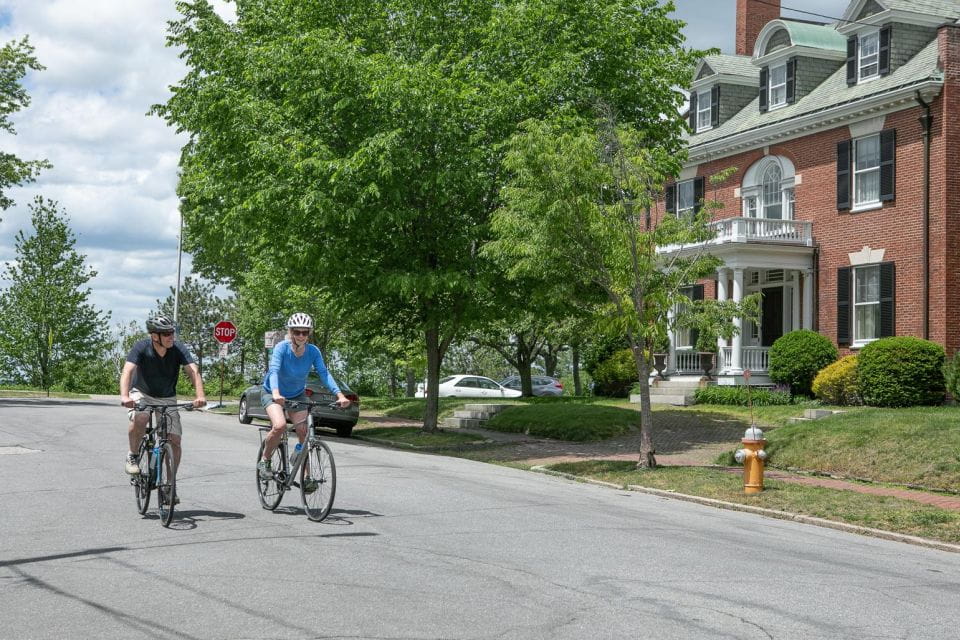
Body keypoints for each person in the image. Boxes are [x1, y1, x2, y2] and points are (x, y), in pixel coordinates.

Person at [257, 312, 350, 489]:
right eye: (297, 332)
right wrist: (276, 393)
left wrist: (340, 395)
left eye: (305, 332)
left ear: (309, 333)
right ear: (290, 332)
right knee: (280, 426)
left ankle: (307, 477)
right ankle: (265, 460)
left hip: (297, 394)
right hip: (272, 392)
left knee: (303, 431)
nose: (301, 336)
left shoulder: (313, 351)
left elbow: (324, 373)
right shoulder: (281, 348)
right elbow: (274, 371)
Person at [120, 315, 206, 502]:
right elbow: (127, 371)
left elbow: (193, 371)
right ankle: (133, 456)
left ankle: (169, 484)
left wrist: (200, 396)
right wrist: (125, 396)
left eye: (172, 332)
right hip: (141, 392)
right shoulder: (141, 347)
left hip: (167, 397)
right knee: (141, 417)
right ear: (154, 336)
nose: (171, 336)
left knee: (174, 440)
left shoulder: (178, 349)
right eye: (166, 333)